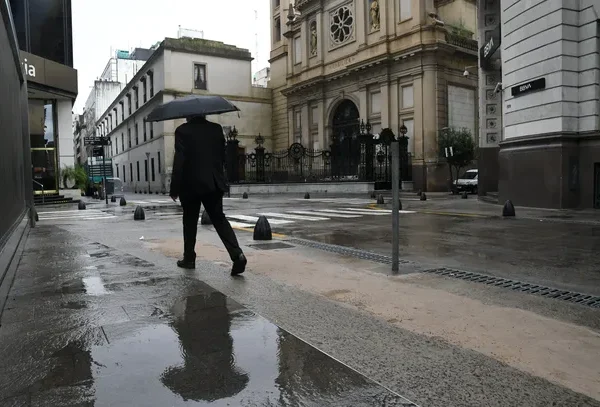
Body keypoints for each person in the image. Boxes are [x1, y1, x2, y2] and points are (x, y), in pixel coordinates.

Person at [169, 115, 247, 276]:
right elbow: (223, 157)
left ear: (188, 115)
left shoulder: (182, 131)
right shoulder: (216, 129)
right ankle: (237, 254)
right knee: (219, 219)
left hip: (190, 184)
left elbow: (179, 161)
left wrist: (174, 188)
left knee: (189, 221)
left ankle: (189, 259)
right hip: (213, 182)